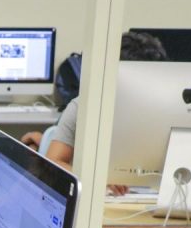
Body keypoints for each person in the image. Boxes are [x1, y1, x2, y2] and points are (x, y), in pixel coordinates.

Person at [21, 30, 167, 195]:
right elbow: (54, 161)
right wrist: (100, 180)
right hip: (103, 200)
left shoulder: (165, 111)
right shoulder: (83, 107)